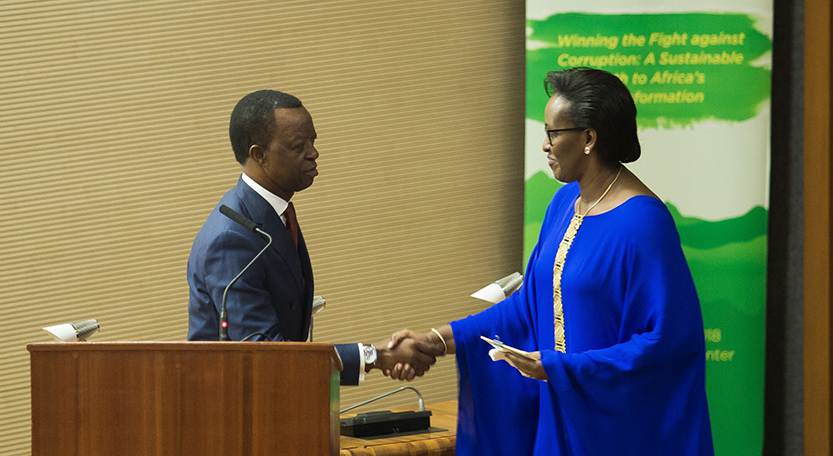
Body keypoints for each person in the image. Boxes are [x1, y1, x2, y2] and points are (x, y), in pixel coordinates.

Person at [387, 67, 714, 455]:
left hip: (615, 431)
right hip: (558, 419)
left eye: (553, 133)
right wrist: (436, 340)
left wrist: (563, 369)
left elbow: (672, 343)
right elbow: (526, 310)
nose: (544, 145)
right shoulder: (563, 204)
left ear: (589, 138)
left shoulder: (643, 223)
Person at [187, 89, 435, 385]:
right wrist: (374, 356)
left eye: (313, 141)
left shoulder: (271, 212)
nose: (313, 153)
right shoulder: (232, 238)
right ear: (259, 155)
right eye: (298, 146)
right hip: (234, 413)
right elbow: (264, 354)